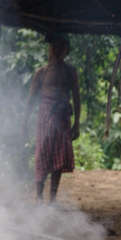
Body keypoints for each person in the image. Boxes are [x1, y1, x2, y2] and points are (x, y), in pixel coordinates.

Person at [22, 34, 81, 202]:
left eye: (61, 47)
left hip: (62, 117)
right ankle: (39, 196)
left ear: (67, 51)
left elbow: (76, 98)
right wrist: (24, 124)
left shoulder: (71, 72)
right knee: (42, 154)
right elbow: (31, 99)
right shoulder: (40, 72)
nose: (57, 50)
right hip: (44, 117)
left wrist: (76, 124)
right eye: (54, 46)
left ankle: (52, 200)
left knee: (59, 157)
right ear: (50, 48)